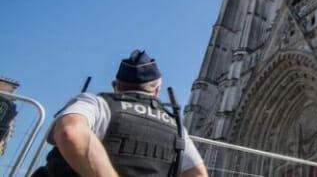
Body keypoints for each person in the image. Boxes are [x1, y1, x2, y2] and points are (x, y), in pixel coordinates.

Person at [40, 49, 209, 177]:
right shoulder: (176, 128)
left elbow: (70, 132)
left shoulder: (98, 104)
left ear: (116, 85)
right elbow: (198, 173)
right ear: (157, 91)